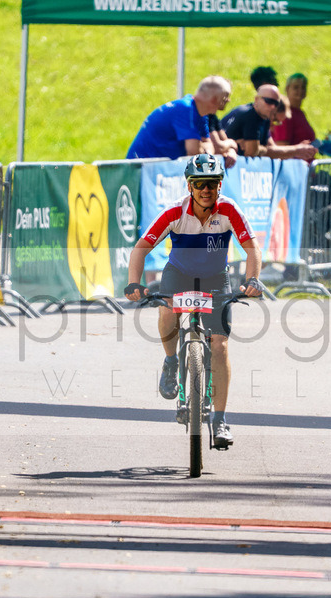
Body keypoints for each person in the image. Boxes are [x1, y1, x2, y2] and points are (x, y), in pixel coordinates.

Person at [124, 154, 263, 448]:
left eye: (212, 183)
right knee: (166, 310)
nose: (206, 189)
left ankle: (221, 419)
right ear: (189, 186)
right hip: (180, 274)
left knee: (220, 345)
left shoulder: (228, 210)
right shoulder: (175, 213)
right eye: (199, 183)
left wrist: (252, 280)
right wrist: (134, 283)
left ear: (219, 185)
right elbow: (140, 249)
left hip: (215, 278)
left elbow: (251, 248)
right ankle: (172, 361)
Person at [126, 77, 225, 160]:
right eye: (225, 98)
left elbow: (207, 143)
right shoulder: (186, 109)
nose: (227, 101)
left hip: (158, 168)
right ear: (214, 100)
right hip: (141, 168)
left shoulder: (200, 113)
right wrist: (206, 153)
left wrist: (206, 153)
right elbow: (193, 152)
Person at [221, 84, 316, 161]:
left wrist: (297, 150)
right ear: (256, 99)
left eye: (276, 103)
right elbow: (251, 152)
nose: (273, 107)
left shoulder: (264, 117)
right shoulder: (251, 115)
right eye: (269, 101)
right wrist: (296, 150)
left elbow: (272, 150)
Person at [202, 76, 239, 168]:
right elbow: (218, 147)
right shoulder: (204, 114)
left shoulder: (213, 116)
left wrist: (231, 150)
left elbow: (224, 141)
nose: (228, 100)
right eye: (226, 96)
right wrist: (231, 143)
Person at [272, 73, 316, 146]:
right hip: (294, 157)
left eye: (303, 87)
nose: (300, 91)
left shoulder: (300, 113)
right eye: (296, 87)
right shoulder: (284, 114)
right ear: (287, 89)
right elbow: (281, 147)